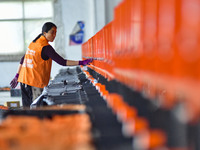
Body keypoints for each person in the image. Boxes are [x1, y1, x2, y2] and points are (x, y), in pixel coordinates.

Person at [10, 22, 92, 107]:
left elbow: (23, 59)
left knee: (27, 109)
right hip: (34, 83)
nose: (54, 35)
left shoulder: (34, 43)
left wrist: (17, 75)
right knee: (37, 109)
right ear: (45, 33)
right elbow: (62, 62)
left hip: (24, 81)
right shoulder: (45, 47)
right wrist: (81, 62)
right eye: (52, 32)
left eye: (55, 33)